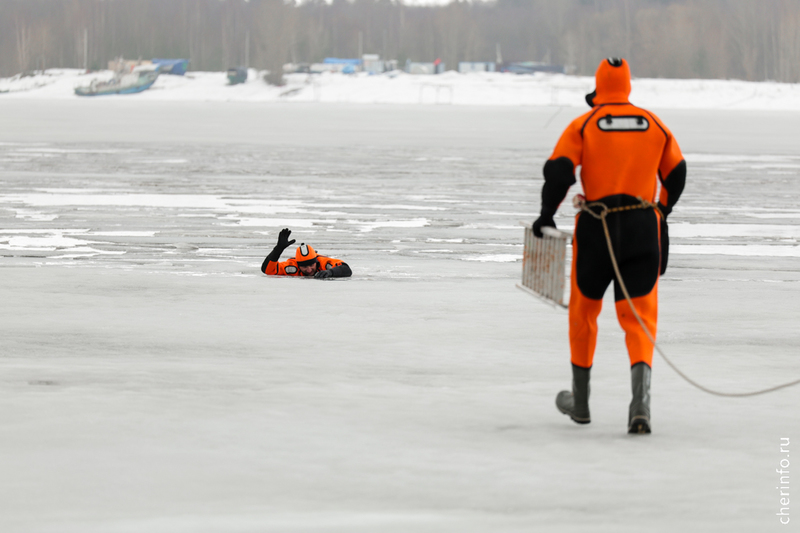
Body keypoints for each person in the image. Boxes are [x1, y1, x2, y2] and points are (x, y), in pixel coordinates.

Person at [533, 58, 686, 434]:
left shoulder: (584, 124)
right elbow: (677, 172)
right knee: (639, 318)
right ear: (628, 87)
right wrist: (661, 210)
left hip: (596, 228)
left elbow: (559, 171)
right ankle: (640, 407)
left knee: (584, 314)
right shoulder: (655, 124)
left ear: (598, 89)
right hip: (641, 227)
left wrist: (546, 214)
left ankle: (581, 402)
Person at [261, 228, 352, 279]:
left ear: (316, 261)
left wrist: (330, 272)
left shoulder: (323, 263)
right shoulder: (292, 266)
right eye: (304, 266)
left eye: (311, 265)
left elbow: (346, 269)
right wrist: (278, 249)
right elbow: (268, 270)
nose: (309, 270)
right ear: (298, 264)